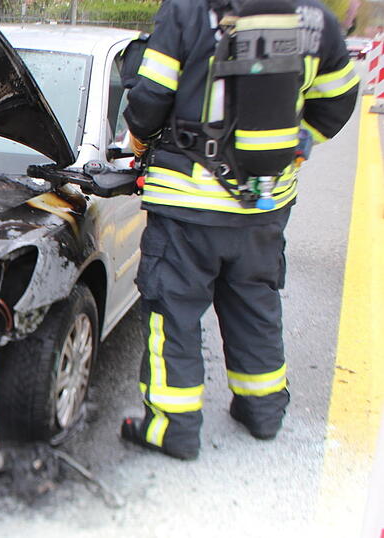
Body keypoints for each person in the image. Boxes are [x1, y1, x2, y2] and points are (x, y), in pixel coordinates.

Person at [119, 0, 358, 460]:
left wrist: (141, 142)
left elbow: (148, 101)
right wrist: (294, 145)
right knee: (255, 303)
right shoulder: (315, 20)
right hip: (266, 202)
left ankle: (173, 428)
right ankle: (263, 412)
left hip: (187, 204)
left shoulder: (186, 10)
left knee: (173, 311)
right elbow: (337, 104)